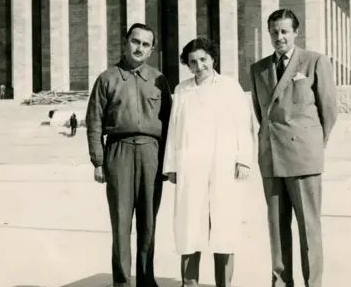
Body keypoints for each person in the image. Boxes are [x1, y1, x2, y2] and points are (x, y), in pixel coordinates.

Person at [250, 9, 337, 287]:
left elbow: (330, 110)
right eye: (274, 32)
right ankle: (280, 281)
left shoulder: (313, 61)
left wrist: (312, 144)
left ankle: (313, 283)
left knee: (308, 227)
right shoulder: (259, 69)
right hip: (272, 157)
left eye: (284, 31)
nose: (279, 37)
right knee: (277, 228)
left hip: (303, 157)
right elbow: (260, 111)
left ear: (295, 32)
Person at [163, 37, 255, 287]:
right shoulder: (182, 90)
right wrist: (171, 166)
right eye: (193, 62)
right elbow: (174, 128)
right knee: (189, 225)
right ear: (187, 65)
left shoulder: (230, 86)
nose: (199, 65)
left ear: (213, 58)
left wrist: (243, 160)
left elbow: (243, 126)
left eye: (203, 59)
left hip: (222, 164)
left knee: (224, 226)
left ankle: (223, 283)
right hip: (190, 166)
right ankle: (189, 283)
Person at [86, 23, 172, 287]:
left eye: (146, 45)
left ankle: (146, 279)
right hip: (118, 150)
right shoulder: (107, 78)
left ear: (152, 50)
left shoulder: (159, 79)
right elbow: (94, 121)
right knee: (121, 220)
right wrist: (98, 161)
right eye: (135, 42)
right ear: (125, 43)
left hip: (151, 153)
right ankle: (122, 281)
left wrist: (168, 162)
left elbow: (170, 122)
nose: (139, 48)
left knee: (148, 221)